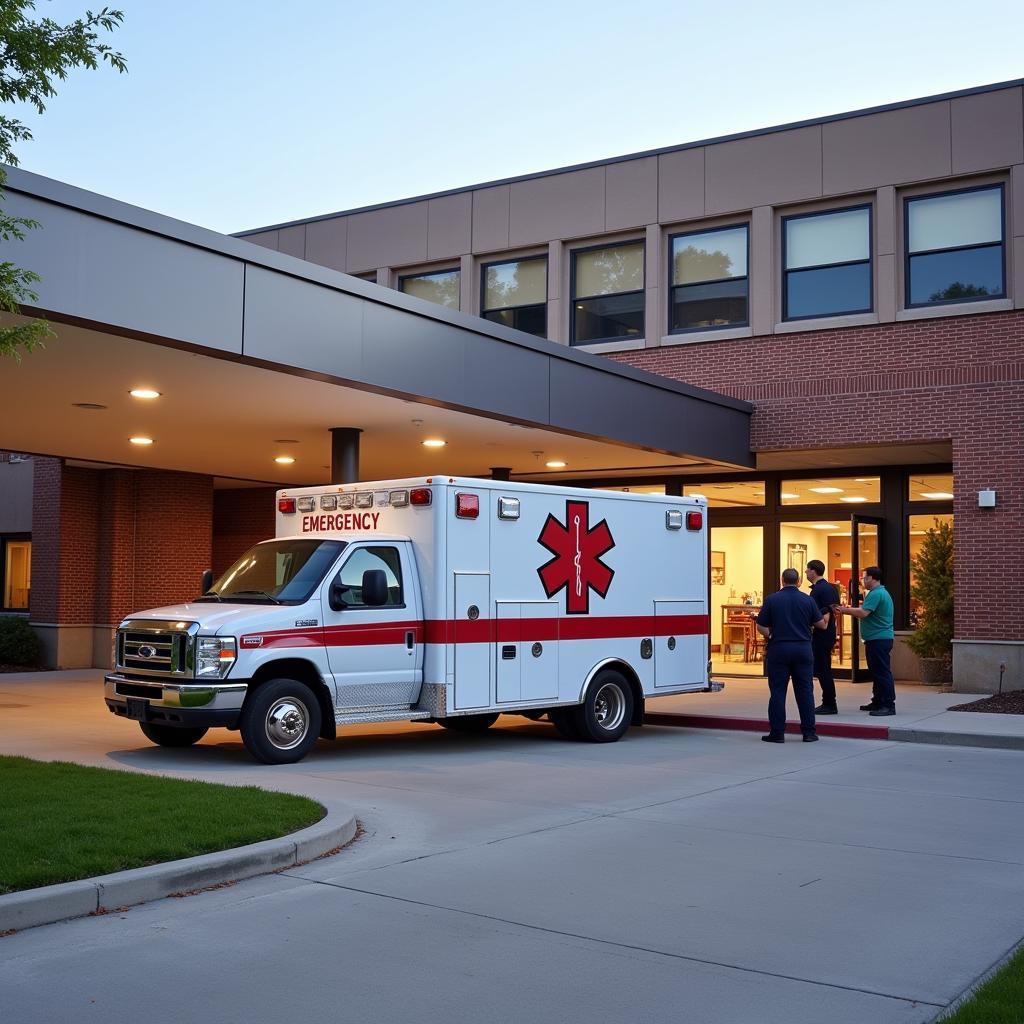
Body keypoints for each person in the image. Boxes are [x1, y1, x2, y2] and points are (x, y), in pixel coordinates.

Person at [756, 568, 828, 743]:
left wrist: (770, 636)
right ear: (798, 582)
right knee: (805, 691)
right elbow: (821, 625)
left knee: (778, 691)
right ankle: (809, 732)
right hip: (803, 649)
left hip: (779, 649)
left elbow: (761, 625)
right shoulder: (807, 600)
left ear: (782, 580)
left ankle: (777, 733)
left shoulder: (772, 600)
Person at [833, 566, 896, 716]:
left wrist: (843, 610)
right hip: (876, 638)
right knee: (876, 672)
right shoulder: (879, 593)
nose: (862, 580)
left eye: (864, 577)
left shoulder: (876, 594)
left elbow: (863, 613)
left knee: (882, 672)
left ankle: (888, 704)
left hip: (879, 639)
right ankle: (877, 701)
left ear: (872, 578)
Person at [805, 560, 839, 714]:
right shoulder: (830, 588)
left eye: (807, 569)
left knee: (822, 669)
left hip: (822, 634)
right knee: (823, 668)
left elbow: (824, 618)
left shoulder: (820, 590)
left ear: (813, 571)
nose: (806, 572)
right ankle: (829, 701)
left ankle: (829, 703)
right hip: (828, 634)